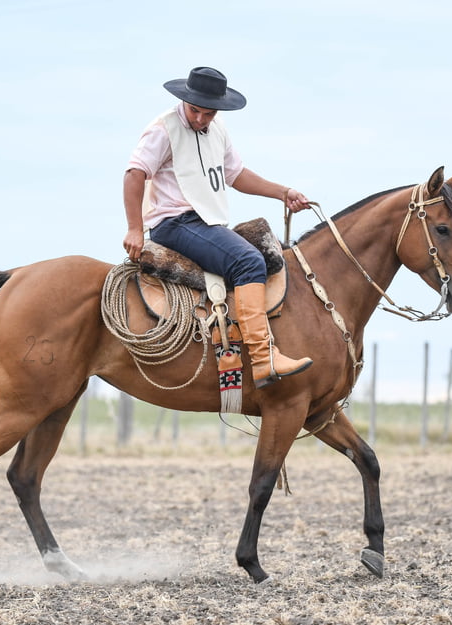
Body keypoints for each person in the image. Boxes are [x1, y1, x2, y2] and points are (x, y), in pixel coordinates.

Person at [123, 66, 313, 389]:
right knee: (249, 261)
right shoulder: (163, 129)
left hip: (204, 223)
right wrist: (135, 229)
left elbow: (236, 175)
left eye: (207, 113)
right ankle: (264, 358)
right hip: (174, 222)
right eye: (194, 110)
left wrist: (283, 192)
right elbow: (134, 174)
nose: (199, 119)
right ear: (185, 100)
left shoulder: (219, 130)